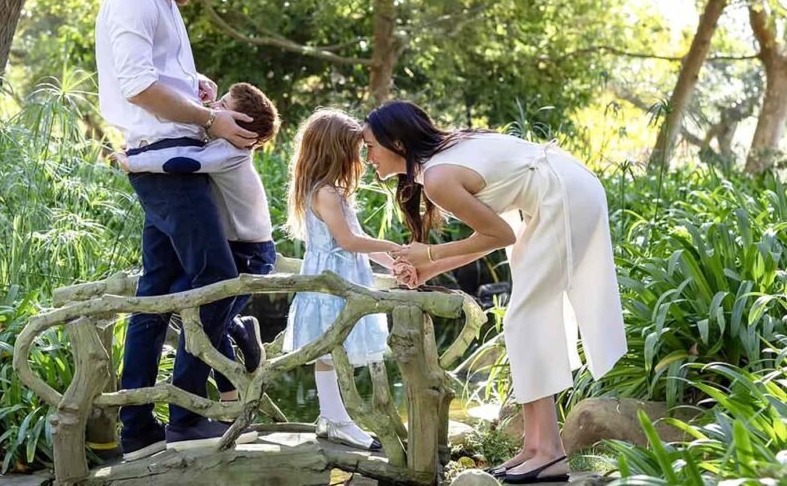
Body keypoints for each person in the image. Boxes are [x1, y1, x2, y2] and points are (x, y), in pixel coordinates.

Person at [364, 101, 627, 484]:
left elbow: (501, 234)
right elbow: (488, 237)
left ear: (398, 143)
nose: (367, 156)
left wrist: (430, 254)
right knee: (526, 319)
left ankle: (550, 452)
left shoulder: (437, 177)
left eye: (371, 146)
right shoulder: (443, 159)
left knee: (525, 318)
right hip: (561, 192)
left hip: (566, 196)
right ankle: (536, 446)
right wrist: (427, 268)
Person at [94, 0, 259, 461]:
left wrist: (195, 89)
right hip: (166, 168)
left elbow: (155, 79)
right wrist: (212, 118)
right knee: (218, 280)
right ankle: (187, 415)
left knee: (157, 293)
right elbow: (138, 88)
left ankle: (139, 429)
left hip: (166, 163)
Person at [113, 82, 281, 400]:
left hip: (251, 252)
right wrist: (202, 100)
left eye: (224, 105)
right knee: (195, 306)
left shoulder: (230, 152)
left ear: (242, 126)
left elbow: (183, 161)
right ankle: (233, 370)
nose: (215, 108)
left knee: (205, 312)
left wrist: (133, 161)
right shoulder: (219, 143)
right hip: (235, 244)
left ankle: (233, 362)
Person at [281, 109, 397, 451]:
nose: (361, 157)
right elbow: (348, 242)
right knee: (332, 350)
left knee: (332, 351)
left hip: (339, 279)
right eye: (356, 150)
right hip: (332, 284)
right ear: (337, 151)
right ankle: (337, 419)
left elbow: (356, 239)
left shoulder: (331, 191)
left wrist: (394, 264)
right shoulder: (326, 193)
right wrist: (394, 245)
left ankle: (332, 415)